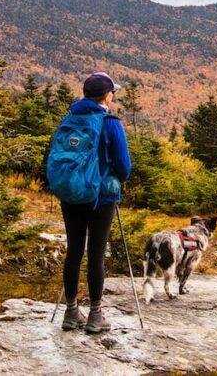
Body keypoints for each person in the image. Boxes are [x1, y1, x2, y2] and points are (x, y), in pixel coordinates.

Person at [56, 72, 132, 333]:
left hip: (71, 193)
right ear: (106, 95)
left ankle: (70, 312)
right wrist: (115, 177)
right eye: (113, 92)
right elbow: (124, 167)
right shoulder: (110, 122)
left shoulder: (69, 119)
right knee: (97, 254)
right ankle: (95, 315)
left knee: (74, 251)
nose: (114, 95)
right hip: (101, 196)